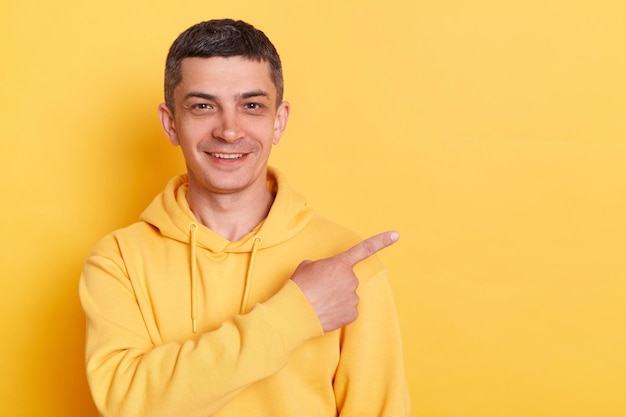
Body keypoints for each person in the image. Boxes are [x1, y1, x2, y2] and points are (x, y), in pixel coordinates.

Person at [79, 18, 410, 417]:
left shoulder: (345, 261)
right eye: (203, 106)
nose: (230, 131)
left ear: (279, 121)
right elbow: (128, 403)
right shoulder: (118, 261)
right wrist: (298, 311)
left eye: (251, 106)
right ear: (171, 124)